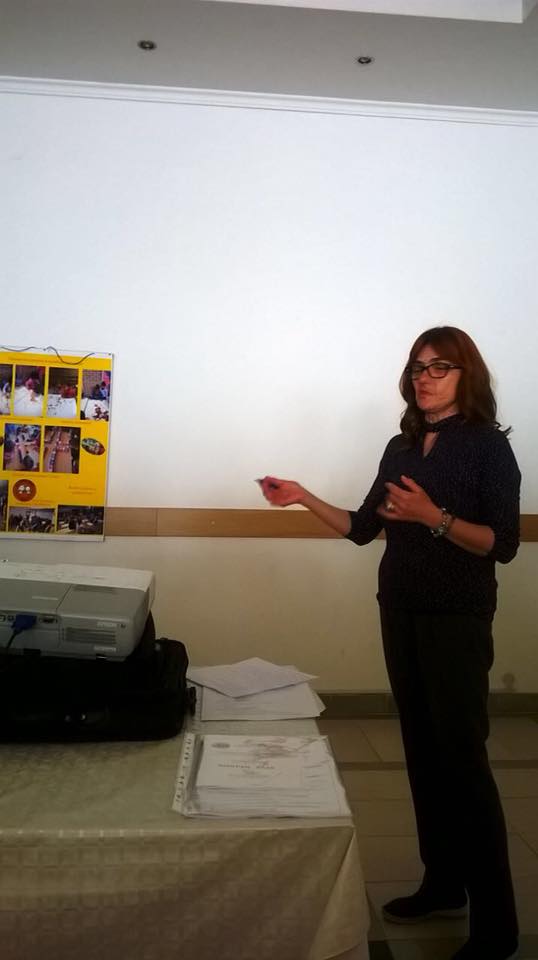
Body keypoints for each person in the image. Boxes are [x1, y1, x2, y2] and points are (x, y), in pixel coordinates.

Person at [258, 326, 520, 960]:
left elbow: (503, 543)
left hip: (457, 618)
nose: (424, 378)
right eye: (417, 368)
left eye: (440, 367)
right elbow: (360, 527)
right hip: (398, 610)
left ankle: (497, 927)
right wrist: (301, 497)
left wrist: (435, 518)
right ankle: (443, 884)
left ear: (466, 376)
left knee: (464, 763)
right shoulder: (400, 446)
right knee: (423, 754)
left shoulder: (488, 447)